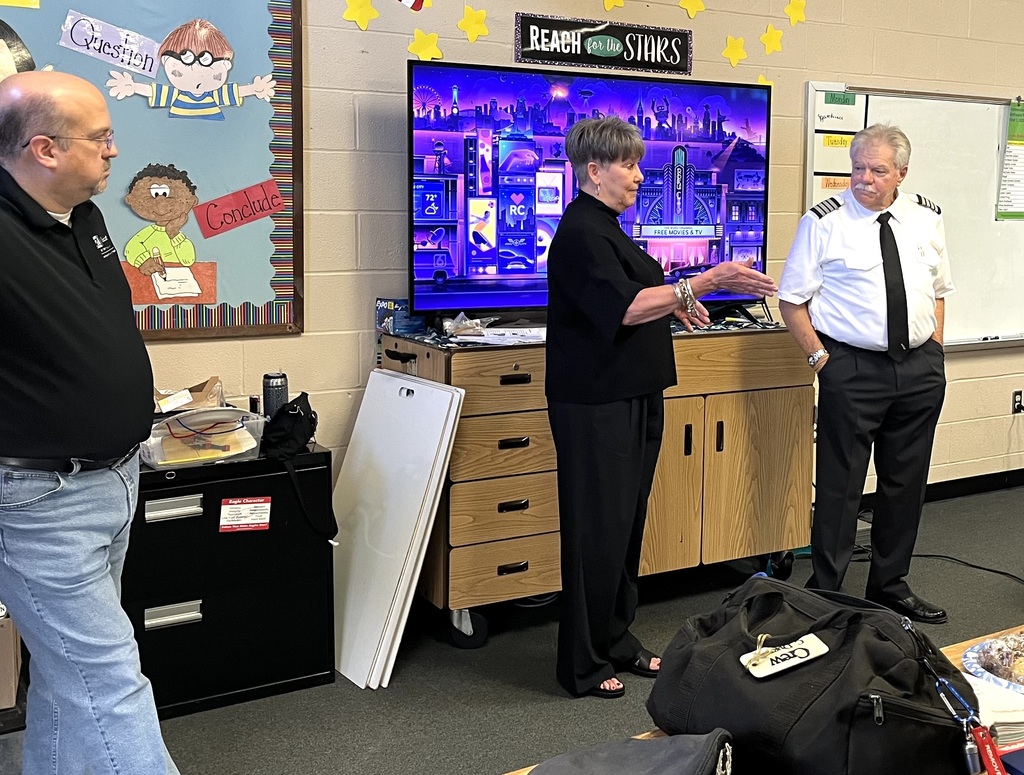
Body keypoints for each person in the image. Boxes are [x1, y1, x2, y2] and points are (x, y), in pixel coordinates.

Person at [545, 116, 777, 699]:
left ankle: (617, 640)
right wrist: (710, 279)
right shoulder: (580, 232)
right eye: (629, 165)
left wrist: (671, 306)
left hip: (633, 395)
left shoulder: (609, 228)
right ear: (594, 171)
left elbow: (635, 298)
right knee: (595, 533)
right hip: (596, 403)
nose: (639, 176)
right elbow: (620, 309)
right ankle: (584, 664)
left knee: (624, 529)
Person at [0, 71, 179, 773]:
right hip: (41, 499)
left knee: (68, 672)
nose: (114, 151)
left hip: (115, 480)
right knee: (109, 682)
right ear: (44, 149)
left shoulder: (88, 217)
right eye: (100, 138)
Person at [778, 123, 954, 624]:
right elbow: (792, 300)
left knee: (906, 483)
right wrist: (820, 360)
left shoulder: (926, 218)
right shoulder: (825, 222)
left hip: (917, 367)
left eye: (878, 170)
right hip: (851, 368)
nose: (864, 179)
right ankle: (825, 594)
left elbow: (939, 290)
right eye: (857, 168)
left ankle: (890, 584)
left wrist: (934, 351)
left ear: (901, 173)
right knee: (840, 485)